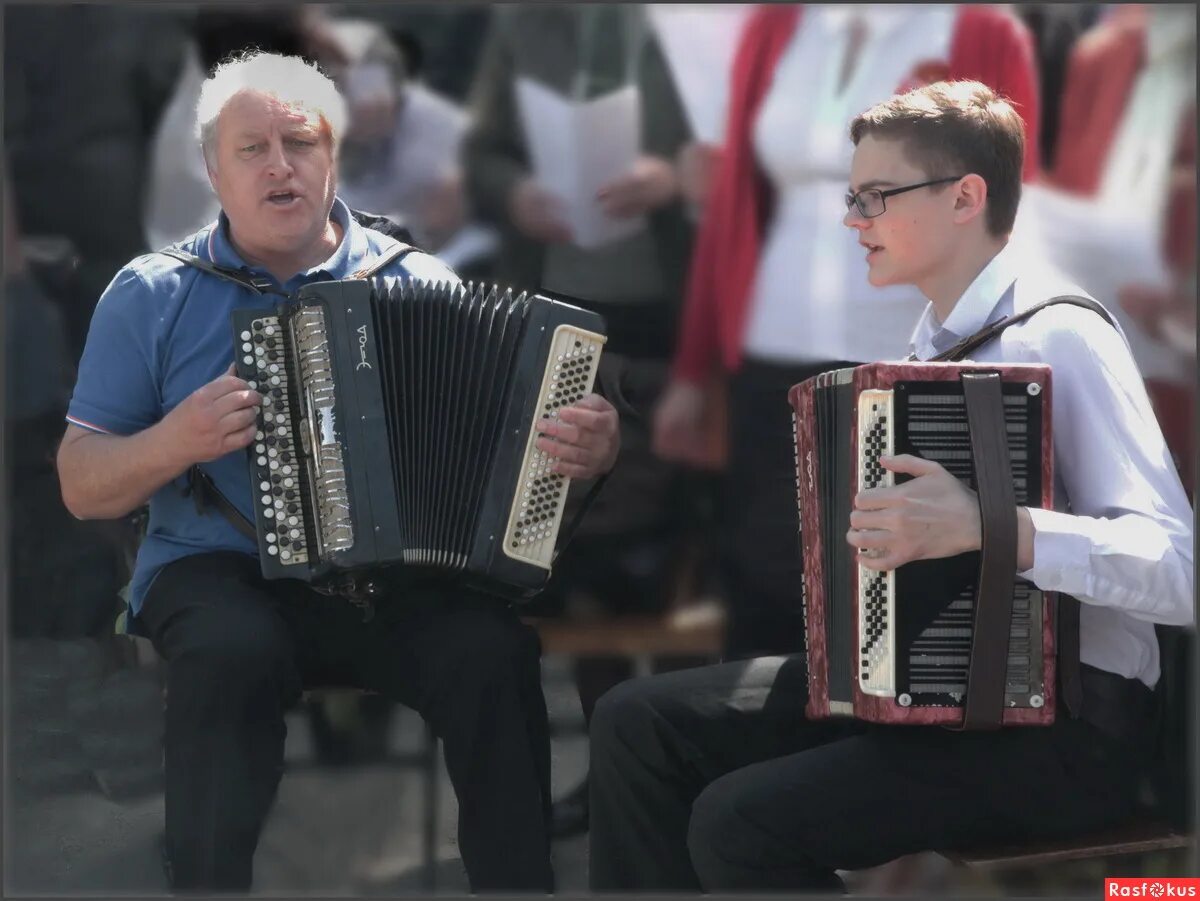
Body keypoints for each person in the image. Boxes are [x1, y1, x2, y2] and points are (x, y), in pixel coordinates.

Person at [588, 80, 1194, 892]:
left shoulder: (1063, 334)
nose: (851, 220)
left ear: (965, 197)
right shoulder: (927, 349)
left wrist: (995, 529)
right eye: (851, 197)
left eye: (876, 197)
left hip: (1070, 733)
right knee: (637, 722)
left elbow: (1178, 571)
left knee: (738, 823)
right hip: (938, 700)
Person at [55, 51, 620, 893]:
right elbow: (79, 482)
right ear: (213, 169)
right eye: (253, 148)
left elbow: (505, 463)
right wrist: (174, 440)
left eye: (301, 141)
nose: (281, 165)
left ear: (334, 156)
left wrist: (586, 452)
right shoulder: (152, 293)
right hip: (220, 572)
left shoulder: (418, 281)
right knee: (227, 655)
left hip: (394, 578)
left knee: (491, 655)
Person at [651, 3, 1042, 660]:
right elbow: (734, 202)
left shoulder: (979, 29)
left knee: (890, 590)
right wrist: (694, 367)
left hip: (914, 359)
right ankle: (767, 757)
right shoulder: (777, 25)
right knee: (768, 576)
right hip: (770, 351)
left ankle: (874, 756)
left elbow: (1013, 207)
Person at [461, 4, 719, 838]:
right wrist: (516, 192)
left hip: (680, 317)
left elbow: (748, 158)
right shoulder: (525, 24)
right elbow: (483, 154)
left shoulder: (703, 29)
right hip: (561, 310)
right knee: (569, 531)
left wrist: (674, 181)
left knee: (686, 553)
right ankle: (620, 770)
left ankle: (686, 760)